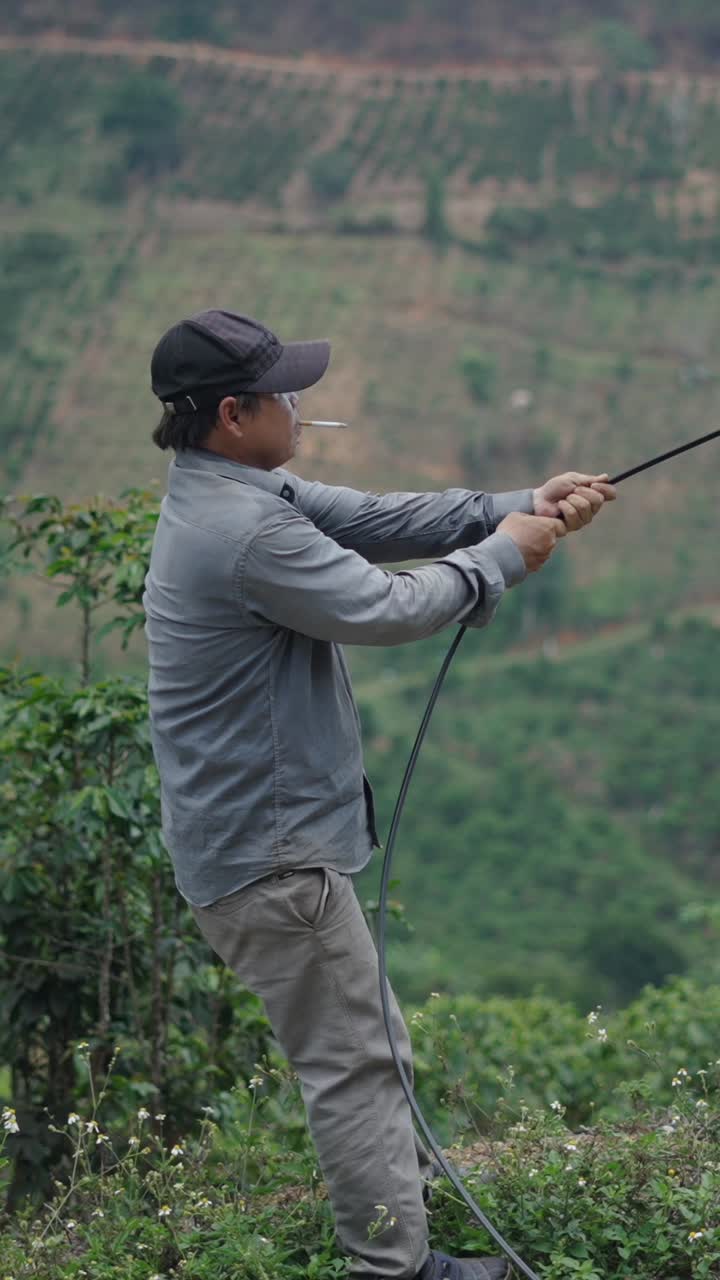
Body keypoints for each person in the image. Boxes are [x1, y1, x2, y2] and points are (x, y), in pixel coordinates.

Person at [143, 309, 616, 1280]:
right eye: (286, 395)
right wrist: (502, 556)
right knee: (356, 1065)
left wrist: (519, 500)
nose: (302, 408)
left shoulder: (230, 489)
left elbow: (369, 517)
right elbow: (383, 605)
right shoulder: (241, 530)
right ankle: (390, 1268)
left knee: (366, 1048)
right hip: (274, 862)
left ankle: (402, 1254)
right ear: (235, 414)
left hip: (251, 849)